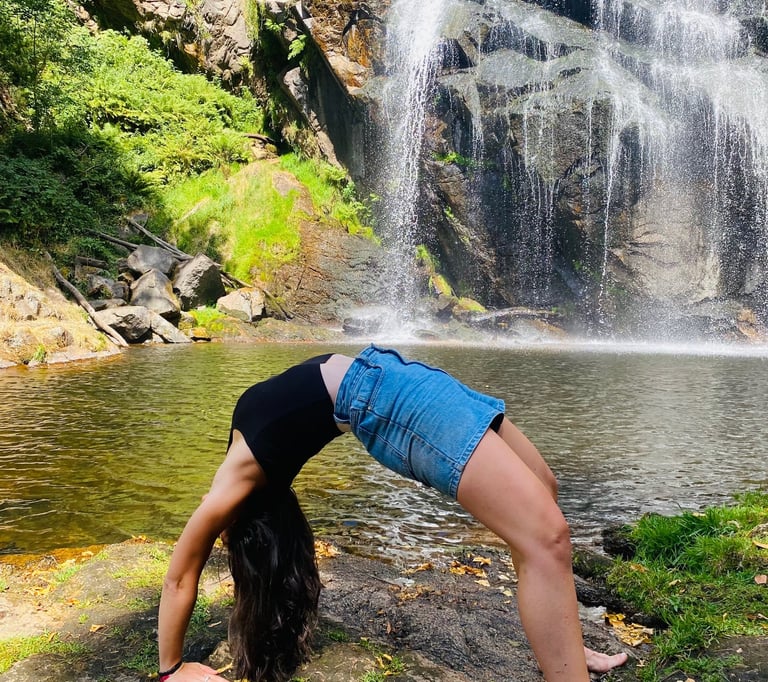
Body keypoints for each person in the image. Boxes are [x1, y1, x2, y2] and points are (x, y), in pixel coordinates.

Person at [157, 345, 628, 682]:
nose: (220, 535)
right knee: (546, 534)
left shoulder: (236, 483)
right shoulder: (241, 466)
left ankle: (563, 647)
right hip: (387, 392)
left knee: (544, 490)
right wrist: (172, 671)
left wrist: (169, 668)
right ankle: (566, 666)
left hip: (391, 379)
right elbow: (179, 577)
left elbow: (179, 577)